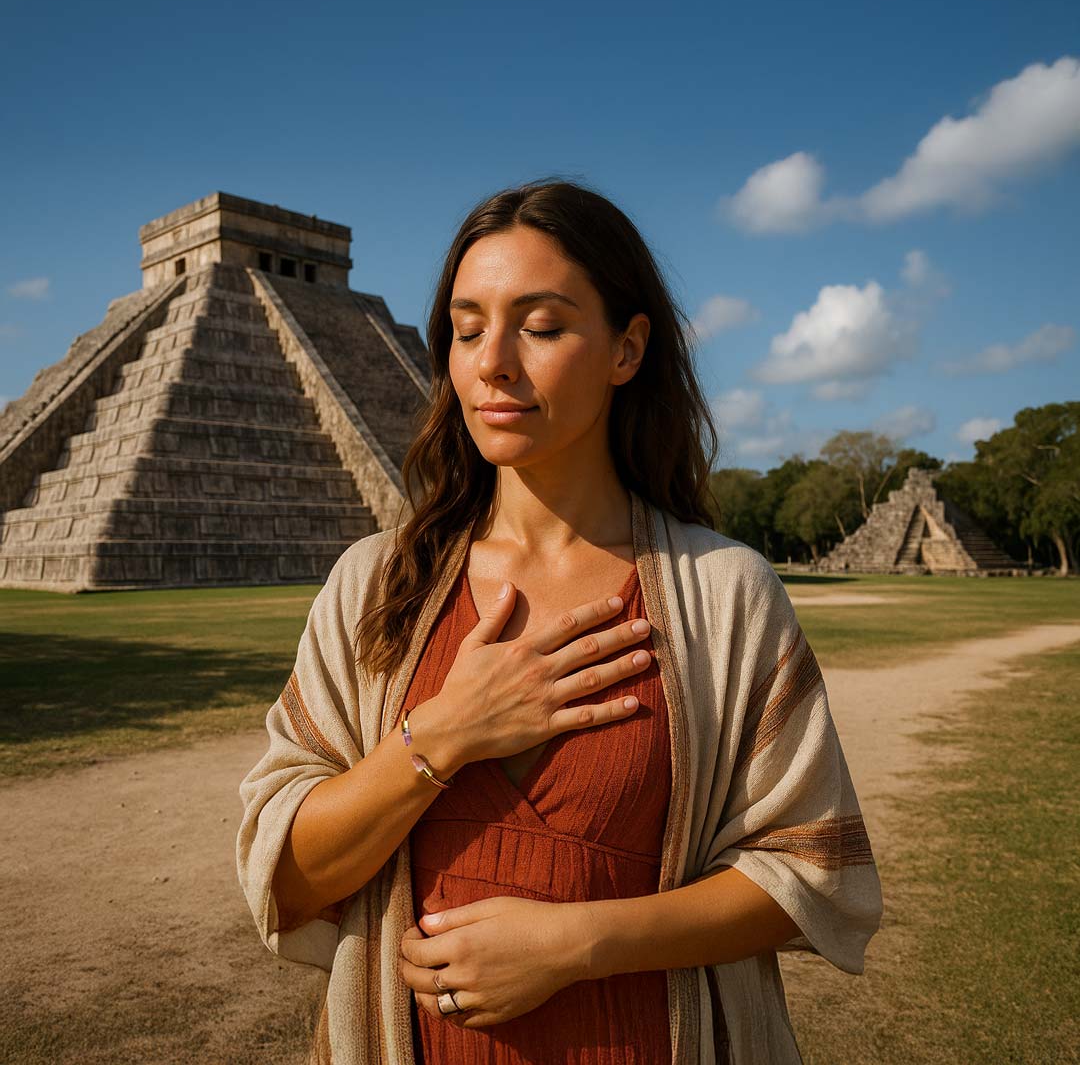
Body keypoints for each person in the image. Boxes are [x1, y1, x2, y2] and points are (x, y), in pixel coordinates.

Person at [236, 177, 883, 1064]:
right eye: (467, 330)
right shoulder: (375, 587)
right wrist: (437, 738)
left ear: (627, 348)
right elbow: (288, 879)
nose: (493, 361)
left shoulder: (723, 594)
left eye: (540, 327)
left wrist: (577, 945)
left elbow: (812, 873)